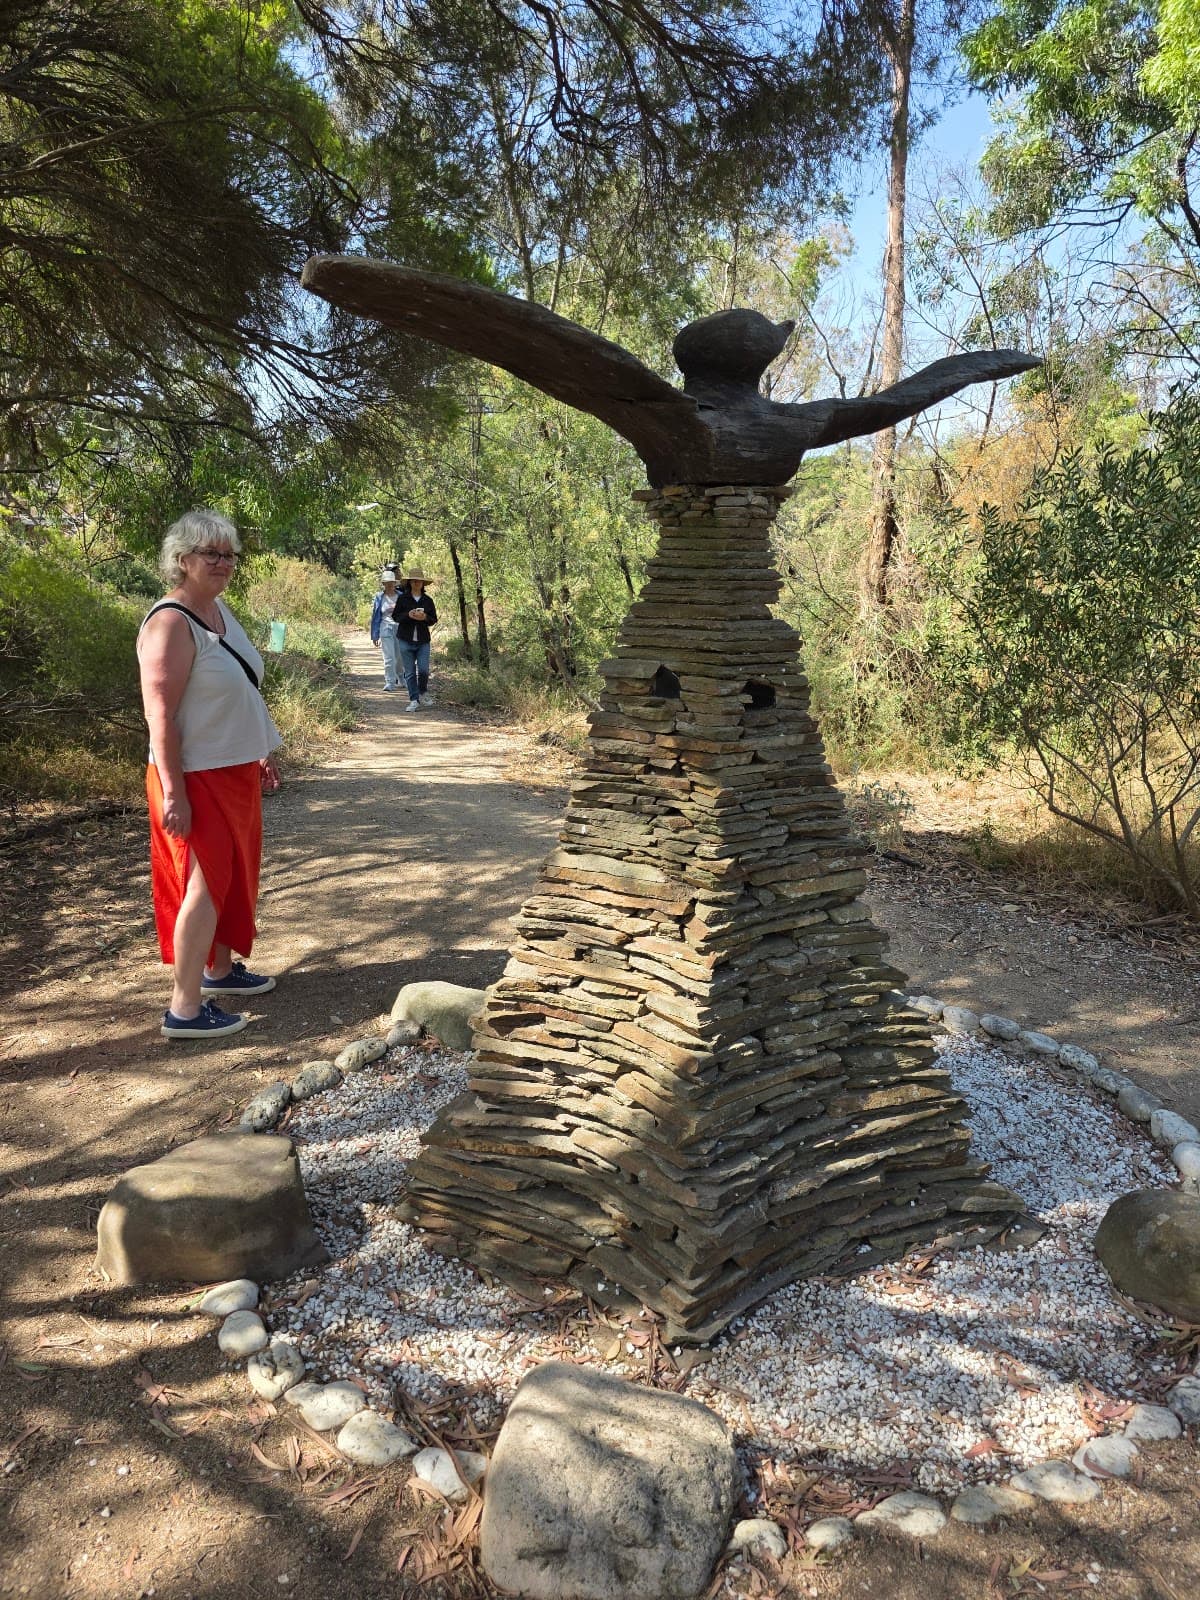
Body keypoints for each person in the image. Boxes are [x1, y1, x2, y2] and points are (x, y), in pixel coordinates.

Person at [136, 510, 282, 1041]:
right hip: (194, 775)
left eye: (229, 554)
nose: (223, 563)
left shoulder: (218, 611)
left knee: (233, 874)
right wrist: (174, 793)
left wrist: (260, 749)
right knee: (203, 883)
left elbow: (239, 688)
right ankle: (185, 1008)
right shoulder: (170, 623)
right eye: (211, 554)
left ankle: (219, 970)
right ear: (182, 559)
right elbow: (160, 716)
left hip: (234, 768)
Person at [395, 565, 438, 712]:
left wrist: (424, 617)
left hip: (423, 641)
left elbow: (433, 619)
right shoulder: (402, 599)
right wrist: (408, 615)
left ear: (423, 583)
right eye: (413, 580)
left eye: (419, 580)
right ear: (409, 582)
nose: (416, 583)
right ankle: (414, 699)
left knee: (424, 670)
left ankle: (423, 691)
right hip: (405, 639)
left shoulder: (428, 601)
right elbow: (396, 616)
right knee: (410, 672)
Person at [368, 569, 403, 691]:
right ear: (383, 583)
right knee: (389, 657)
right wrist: (375, 635)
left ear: (395, 583)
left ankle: (401, 677)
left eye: (391, 582)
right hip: (385, 628)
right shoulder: (379, 597)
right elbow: (375, 616)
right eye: (386, 582)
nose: (389, 584)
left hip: (400, 629)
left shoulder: (401, 596)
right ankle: (390, 682)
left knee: (399, 657)